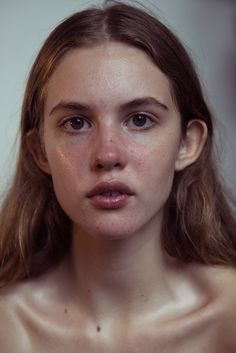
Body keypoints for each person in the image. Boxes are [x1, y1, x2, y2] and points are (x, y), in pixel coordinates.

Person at [0, 1, 236, 352]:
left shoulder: (229, 317)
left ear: (187, 143)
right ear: (40, 152)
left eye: (140, 119)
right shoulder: (8, 327)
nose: (107, 155)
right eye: (76, 123)